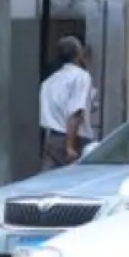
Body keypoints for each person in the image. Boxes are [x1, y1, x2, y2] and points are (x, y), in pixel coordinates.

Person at [39, 36, 94, 168]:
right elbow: (75, 113)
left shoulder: (49, 82)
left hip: (52, 139)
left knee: (51, 178)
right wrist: (70, 147)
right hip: (74, 139)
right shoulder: (81, 77)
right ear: (78, 54)